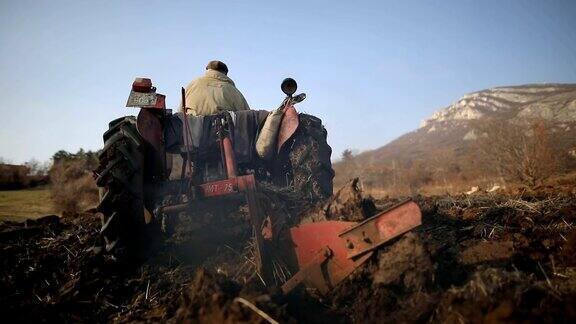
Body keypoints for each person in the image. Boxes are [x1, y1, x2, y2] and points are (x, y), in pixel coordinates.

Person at [182, 60, 250, 116]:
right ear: (225, 73)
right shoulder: (233, 91)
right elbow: (249, 117)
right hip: (221, 131)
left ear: (207, 70)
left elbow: (181, 111)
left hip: (190, 129)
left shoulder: (192, 85)